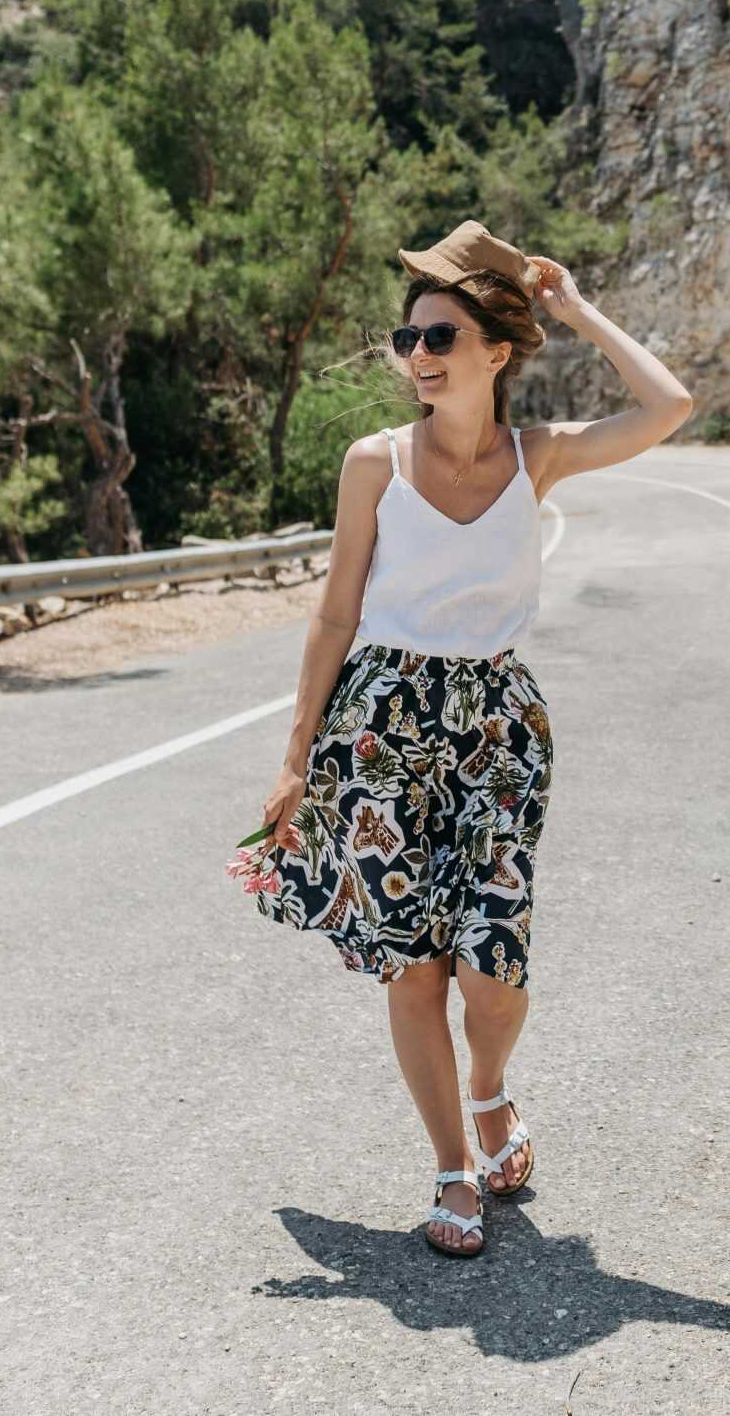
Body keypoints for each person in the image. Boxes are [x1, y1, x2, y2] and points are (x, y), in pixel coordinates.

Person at [246, 218, 693, 1258]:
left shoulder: (538, 457)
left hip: (496, 728)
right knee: (415, 967)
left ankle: (489, 1088)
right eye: (408, 341)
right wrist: (295, 752)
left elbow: (669, 405)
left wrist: (575, 308)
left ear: (497, 349)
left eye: (441, 337)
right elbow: (332, 612)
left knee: (494, 967)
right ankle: (452, 1165)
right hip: (380, 727)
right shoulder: (373, 463)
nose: (419, 358)